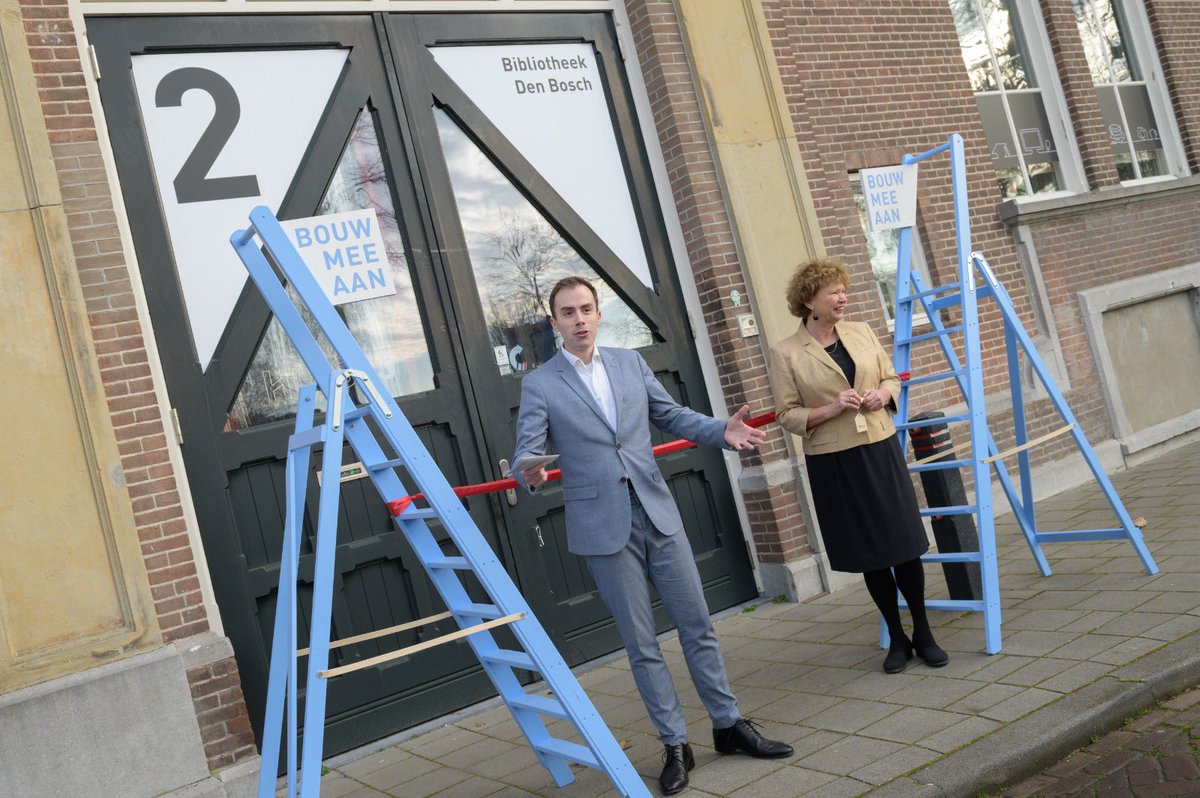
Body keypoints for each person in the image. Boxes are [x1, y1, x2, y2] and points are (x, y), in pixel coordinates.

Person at [513, 276, 793, 796]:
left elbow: (671, 415)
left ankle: (728, 725)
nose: (578, 320)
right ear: (554, 324)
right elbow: (526, 453)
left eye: (586, 309)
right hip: (602, 528)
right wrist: (528, 476)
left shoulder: (630, 363)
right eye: (567, 313)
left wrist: (721, 431)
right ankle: (674, 745)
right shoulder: (541, 384)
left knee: (697, 625)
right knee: (642, 644)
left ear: (599, 314)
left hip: (657, 512)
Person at [767, 257, 948, 675]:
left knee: (903, 542)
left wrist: (883, 397)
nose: (842, 297)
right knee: (871, 551)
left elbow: (891, 379)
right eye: (834, 292)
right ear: (810, 299)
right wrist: (829, 409)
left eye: (843, 290)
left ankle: (923, 631)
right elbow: (786, 415)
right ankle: (896, 638)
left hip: (880, 447)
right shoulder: (786, 353)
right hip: (835, 461)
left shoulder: (862, 332)